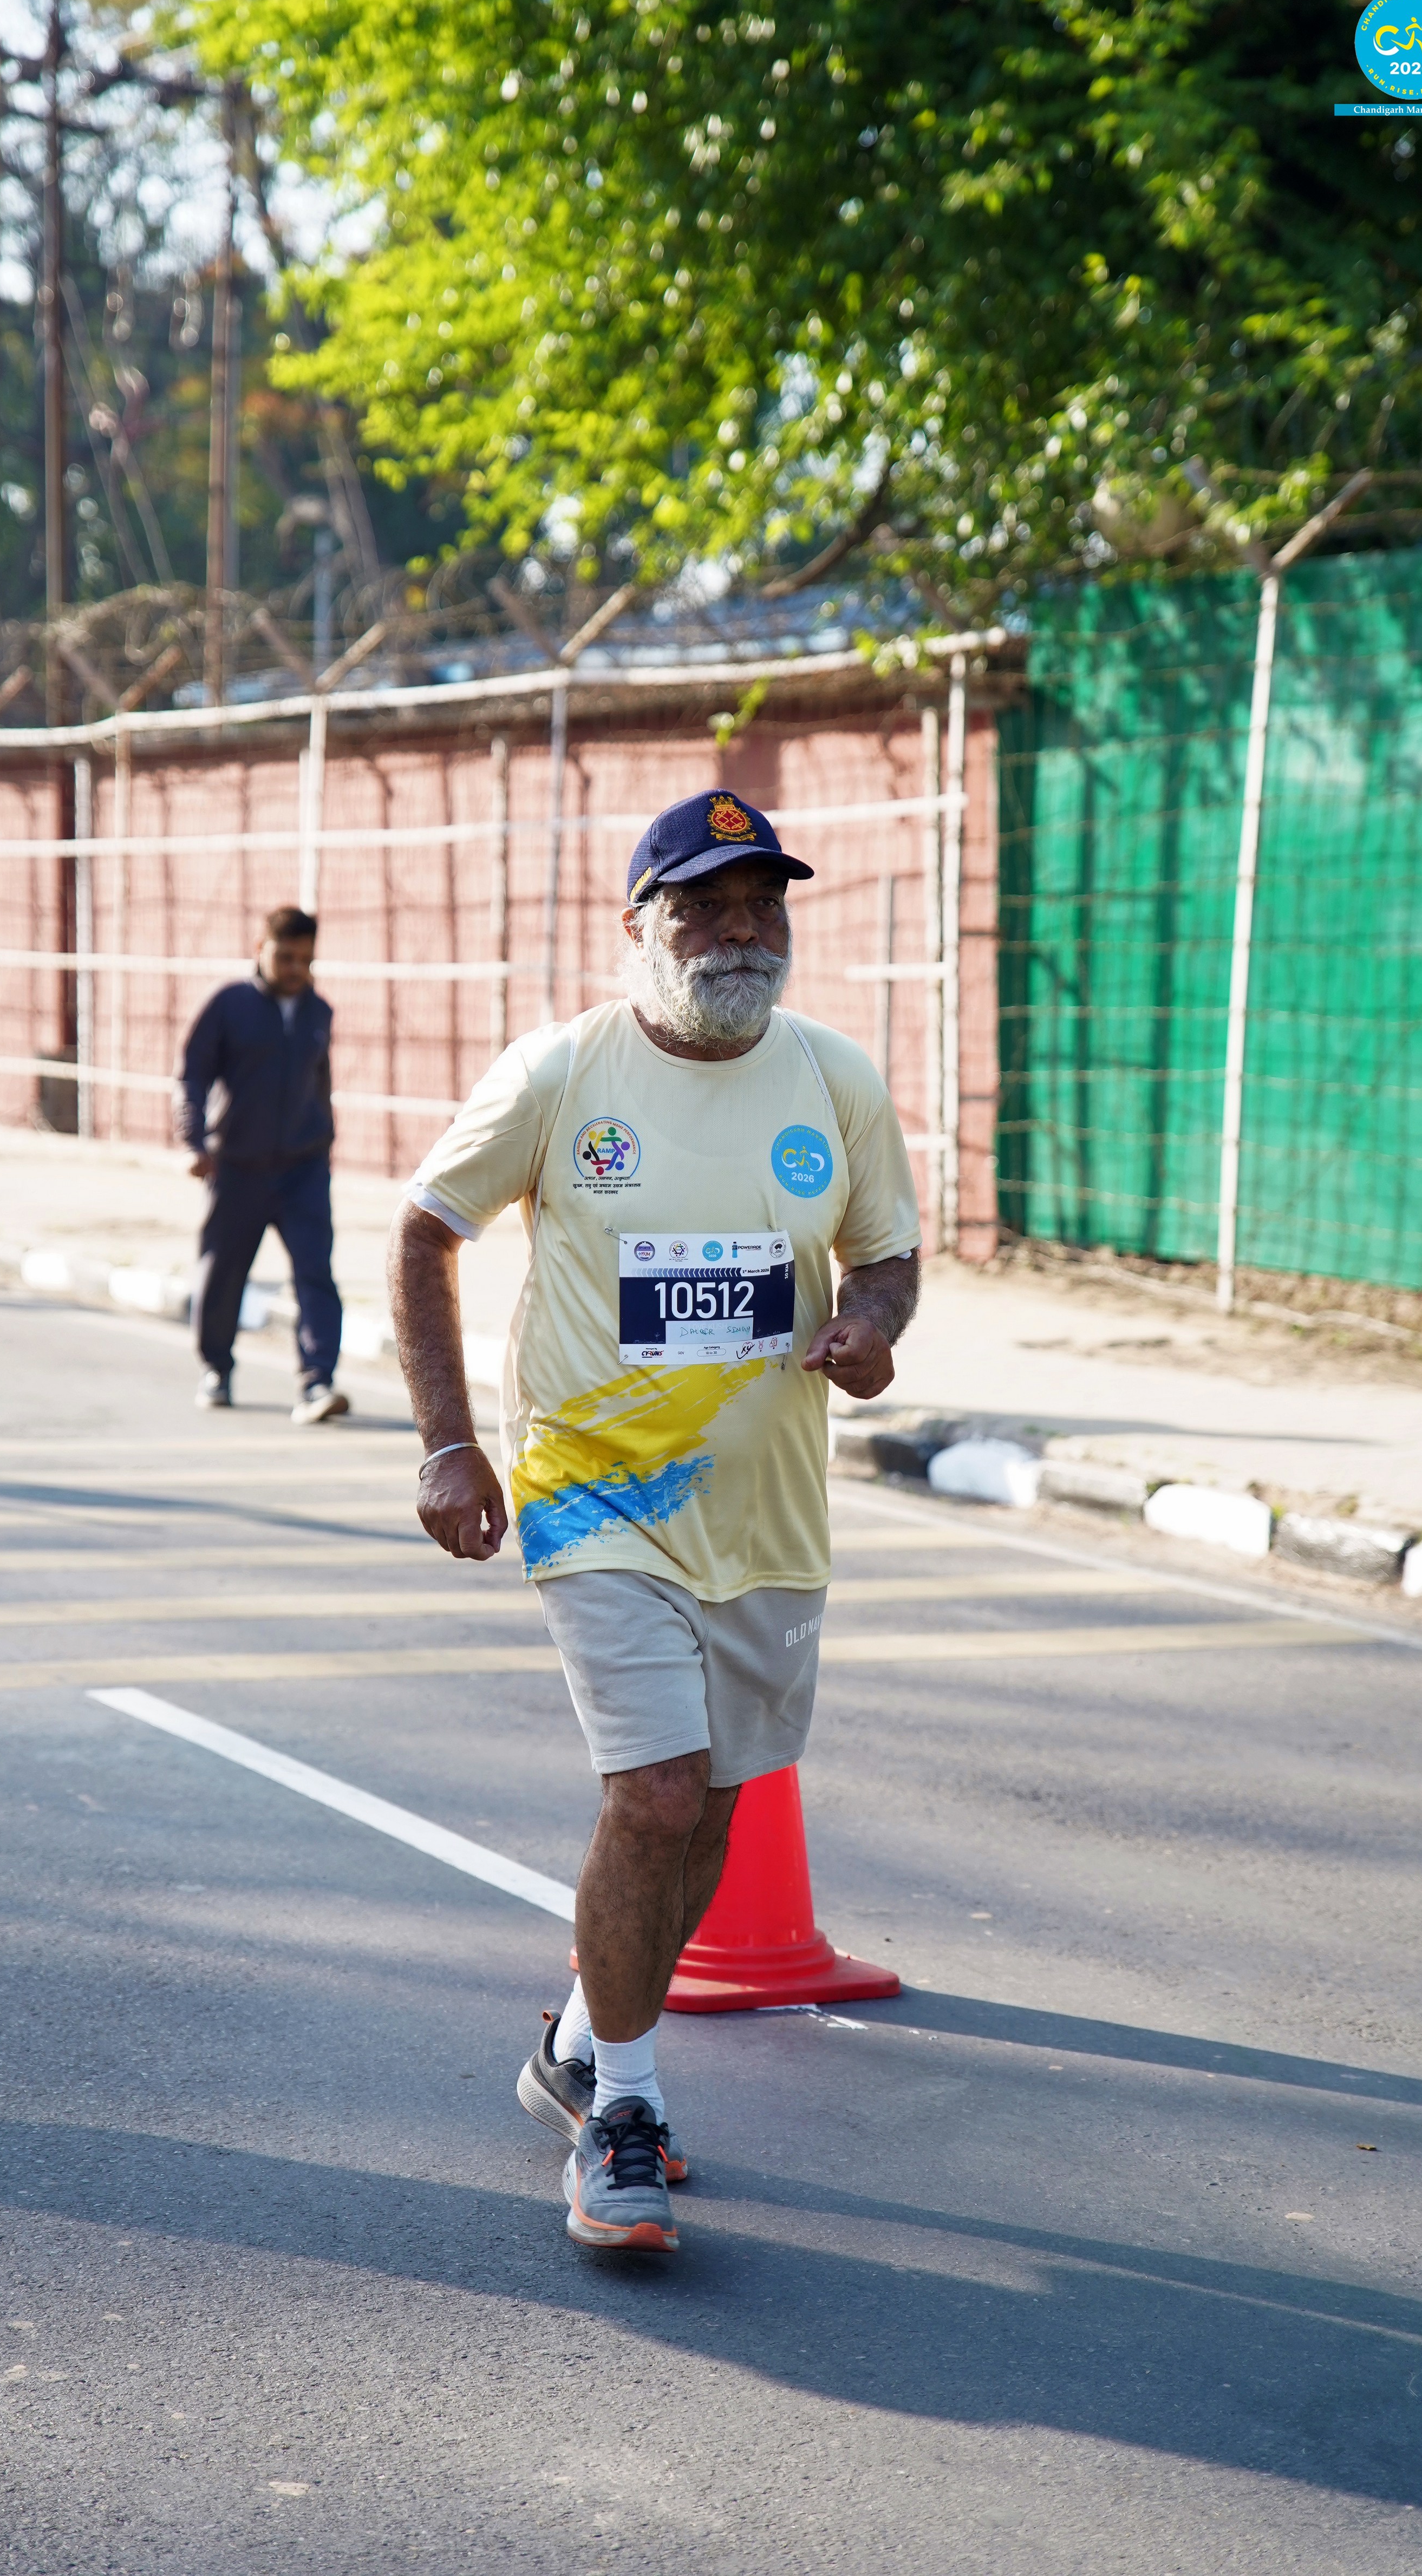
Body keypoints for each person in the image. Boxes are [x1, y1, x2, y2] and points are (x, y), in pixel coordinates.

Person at [388, 788, 921, 2254]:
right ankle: (623, 2111)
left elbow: (885, 1253)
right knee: (661, 1795)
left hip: (771, 1515)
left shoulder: (835, 1077)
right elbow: (426, 1229)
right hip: (596, 1495)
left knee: (713, 1818)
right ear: (638, 925)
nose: (739, 930)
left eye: (762, 903)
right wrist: (449, 1444)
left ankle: (578, 2040)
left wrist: (872, 1325)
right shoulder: (563, 1073)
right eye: (702, 905)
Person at [178, 905, 348, 1425]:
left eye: (306, 960)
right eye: (286, 957)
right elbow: (192, 1074)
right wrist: (194, 1141)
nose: (296, 969)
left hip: (303, 1169)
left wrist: (324, 1142)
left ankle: (318, 1382)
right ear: (261, 949)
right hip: (238, 1168)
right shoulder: (229, 1005)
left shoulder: (319, 1012)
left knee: (316, 1274)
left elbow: (320, 1083)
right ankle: (217, 1369)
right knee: (223, 1272)